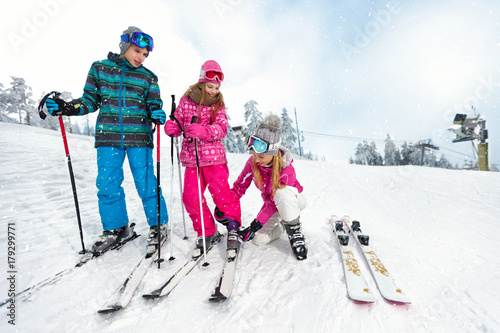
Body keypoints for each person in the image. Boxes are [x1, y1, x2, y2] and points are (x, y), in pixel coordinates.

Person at [43, 26, 169, 255]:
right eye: (137, 50)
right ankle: (116, 228)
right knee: (107, 183)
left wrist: (156, 112)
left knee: (146, 183)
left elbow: (154, 104)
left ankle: (159, 225)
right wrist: (68, 107)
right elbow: (90, 101)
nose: (141, 57)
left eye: (145, 54)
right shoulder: (100, 68)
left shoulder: (148, 77)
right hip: (108, 137)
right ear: (124, 46)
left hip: (139, 138)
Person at [164, 60, 241, 254]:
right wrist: (173, 127)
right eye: (210, 86)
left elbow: (222, 127)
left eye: (216, 87)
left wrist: (204, 131)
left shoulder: (218, 104)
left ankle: (233, 227)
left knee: (222, 194)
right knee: (191, 196)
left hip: (214, 159)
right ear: (201, 82)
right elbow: (178, 121)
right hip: (192, 158)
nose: (214, 91)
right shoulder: (186, 100)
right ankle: (207, 231)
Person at [233, 114, 308, 260]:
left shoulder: (286, 169)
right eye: (254, 154)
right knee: (258, 239)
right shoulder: (253, 162)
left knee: (282, 193)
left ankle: (294, 231)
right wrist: (226, 203)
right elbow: (240, 185)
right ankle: (282, 226)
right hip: (274, 205)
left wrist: (255, 224)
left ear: (273, 154)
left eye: (261, 157)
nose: (256, 159)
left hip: (293, 201)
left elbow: (275, 202)